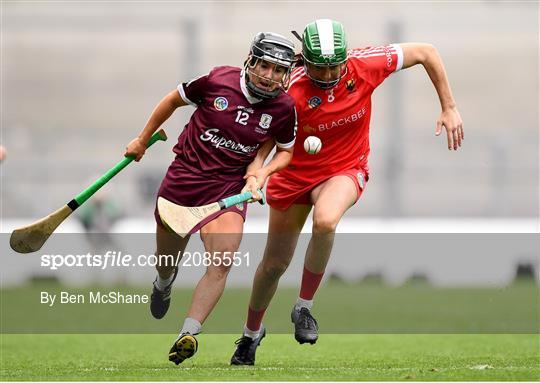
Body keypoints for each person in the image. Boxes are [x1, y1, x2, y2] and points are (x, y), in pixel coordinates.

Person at [231, 19, 464, 365]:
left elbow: (426, 52)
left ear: (344, 58)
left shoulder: (365, 64)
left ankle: (304, 308)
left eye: (333, 67)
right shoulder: (290, 88)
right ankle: (251, 335)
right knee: (274, 265)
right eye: (318, 68)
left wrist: (449, 106)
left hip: (345, 167)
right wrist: (258, 173)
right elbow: (268, 139)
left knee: (326, 221)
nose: (327, 75)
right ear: (304, 60)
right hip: (293, 175)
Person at [125, 32, 297, 365]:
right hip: (184, 180)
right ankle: (163, 284)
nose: (270, 76)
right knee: (166, 261)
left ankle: (188, 332)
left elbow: (286, 151)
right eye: (265, 66)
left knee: (222, 260)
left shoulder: (283, 107)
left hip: (229, 188)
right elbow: (172, 100)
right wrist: (142, 140)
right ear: (251, 62)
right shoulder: (218, 80)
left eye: (278, 71)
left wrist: (262, 173)